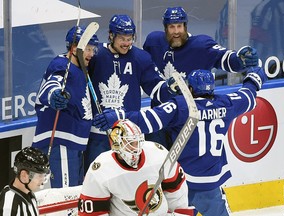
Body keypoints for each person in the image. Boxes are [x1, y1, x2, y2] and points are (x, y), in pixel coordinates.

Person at [93, 66, 267, 216]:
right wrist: (254, 78)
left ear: (189, 88)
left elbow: (148, 120)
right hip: (211, 183)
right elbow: (248, 96)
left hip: (181, 182)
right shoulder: (227, 103)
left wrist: (118, 116)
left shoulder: (181, 106)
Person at [143, 6, 260, 149]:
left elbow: (225, 58)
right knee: (154, 163)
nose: (176, 32)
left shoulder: (201, 46)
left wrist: (240, 60)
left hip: (187, 122)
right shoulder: (153, 42)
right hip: (160, 118)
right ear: (165, 28)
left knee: (184, 167)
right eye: (171, 27)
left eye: (179, 26)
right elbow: (145, 70)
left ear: (185, 26)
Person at [85, 14, 179, 173]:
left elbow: (156, 88)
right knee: (96, 178)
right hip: (98, 133)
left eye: (130, 38)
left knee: (128, 179)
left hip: (128, 135)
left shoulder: (141, 58)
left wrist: (168, 88)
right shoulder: (96, 54)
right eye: (122, 38)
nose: (127, 43)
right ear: (111, 35)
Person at [79, 119, 193, 216]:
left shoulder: (157, 153)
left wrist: (179, 213)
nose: (136, 148)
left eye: (138, 142)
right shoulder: (101, 169)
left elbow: (176, 189)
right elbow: (92, 211)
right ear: (117, 144)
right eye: (131, 143)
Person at [32, 25, 99, 188]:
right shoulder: (62, 65)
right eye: (88, 49)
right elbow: (52, 84)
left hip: (73, 141)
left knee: (75, 192)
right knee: (65, 194)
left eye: (93, 50)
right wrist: (54, 95)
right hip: (61, 140)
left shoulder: (80, 68)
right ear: (75, 48)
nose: (91, 54)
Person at [0, 147, 50, 216]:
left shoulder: (28, 193)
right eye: (39, 176)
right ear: (24, 175)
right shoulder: (9, 206)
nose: (42, 180)